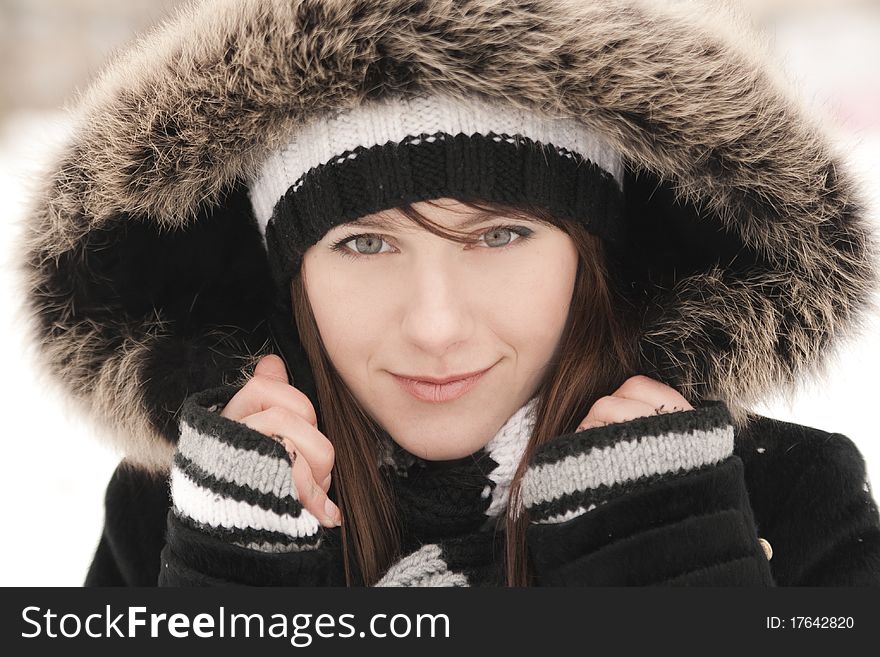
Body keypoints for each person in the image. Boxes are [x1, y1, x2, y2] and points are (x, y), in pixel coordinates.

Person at [16, 0, 880, 587]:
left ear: (593, 258)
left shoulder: (784, 494)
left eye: (499, 235)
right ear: (291, 272)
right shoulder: (179, 512)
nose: (435, 326)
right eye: (364, 242)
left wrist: (692, 583)